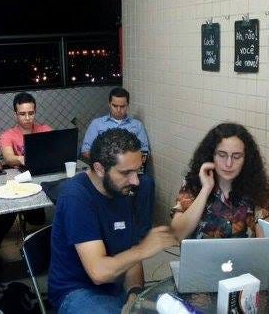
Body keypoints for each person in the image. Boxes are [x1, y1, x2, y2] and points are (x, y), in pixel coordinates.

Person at [48, 128, 178, 313]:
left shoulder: (120, 191)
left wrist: (134, 292)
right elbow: (99, 272)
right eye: (126, 173)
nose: (136, 181)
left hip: (114, 289)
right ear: (99, 169)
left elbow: (130, 255)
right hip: (76, 292)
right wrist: (143, 249)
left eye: (137, 171)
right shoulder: (76, 197)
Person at [170, 122, 269, 240]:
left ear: (246, 160)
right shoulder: (194, 183)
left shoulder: (255, 188)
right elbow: (177, 234)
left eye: (236, 156)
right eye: (222, 155)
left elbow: (266, 242)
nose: (228, 164)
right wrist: (205, 189)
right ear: (212, 156)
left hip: (238, 252)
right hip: (197, 252)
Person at [80, 87, 150, 161]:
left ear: (127, 105)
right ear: (109, 104)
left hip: (129, 166)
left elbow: (144, 151)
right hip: (103, 166)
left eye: (122, 106)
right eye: (115, 106)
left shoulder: (137, 125)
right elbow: (85, 150)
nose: (118, 110)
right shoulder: (97, 124)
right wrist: (103, 162)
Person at [0, 92, 52, 167]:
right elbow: (8, 158)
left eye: (31, 113)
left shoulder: (46, 130)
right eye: (22, 114)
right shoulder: (7, 136)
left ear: (35, 112)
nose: (27, 118)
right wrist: (23, 159)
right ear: (15, 115)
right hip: (23, 172)